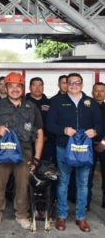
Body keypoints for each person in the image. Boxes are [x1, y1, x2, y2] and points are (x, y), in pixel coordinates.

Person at [0, 72, 44, 230]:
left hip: (24, 152)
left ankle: (22, 215)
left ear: (22, 88)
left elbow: (40, 133)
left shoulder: (32, 107)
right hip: (2, 151)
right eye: (11, 86)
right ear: (6, 87)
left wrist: (36, 158)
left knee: (23, 185)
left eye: (18, 86)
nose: (15, 89)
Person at [46, 73, 102, 232]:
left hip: (84, 149)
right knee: (63, 182)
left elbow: (99, 123)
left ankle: (81, 217)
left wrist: (95, 131)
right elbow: (50, 124)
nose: (74, 85)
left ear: (82, 85)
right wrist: (63, 130)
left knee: (83, 183)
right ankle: (62, 216)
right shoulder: (57, 102)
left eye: (77, 83)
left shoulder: (90, 103)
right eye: (71, 83)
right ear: (66, 85)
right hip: (64, 147)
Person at [25, 77, 54, 161]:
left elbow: (53, 121)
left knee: (44, 168)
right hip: (26, 142)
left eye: (40, 85)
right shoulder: (23, 103)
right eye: (34, 85)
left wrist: (46, 136)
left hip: (46, 140)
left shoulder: (50, 103)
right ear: (30, 88)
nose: (37, 88)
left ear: (43, 88)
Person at [87, 82, 105, 210]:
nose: (99, 93)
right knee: (87, 176)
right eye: (96, 91)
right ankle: (86, 202)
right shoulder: (86, 108)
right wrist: (92, 143)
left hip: (104, 146)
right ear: (92, 92)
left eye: (102, 91)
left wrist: (103, 144)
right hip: (89, 146)